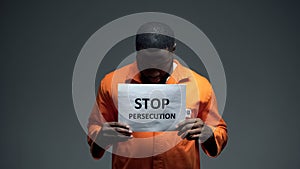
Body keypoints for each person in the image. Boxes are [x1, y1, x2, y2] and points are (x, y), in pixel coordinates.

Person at [87, 22, 228, 169]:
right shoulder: (111, 83)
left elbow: (219, 132)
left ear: (173, 50)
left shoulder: (200, 85)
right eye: (146, 63)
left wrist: (208, 134)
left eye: (160, 63)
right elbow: (95, 129)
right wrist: (100, 137)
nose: (153, 72)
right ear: (136, 52)